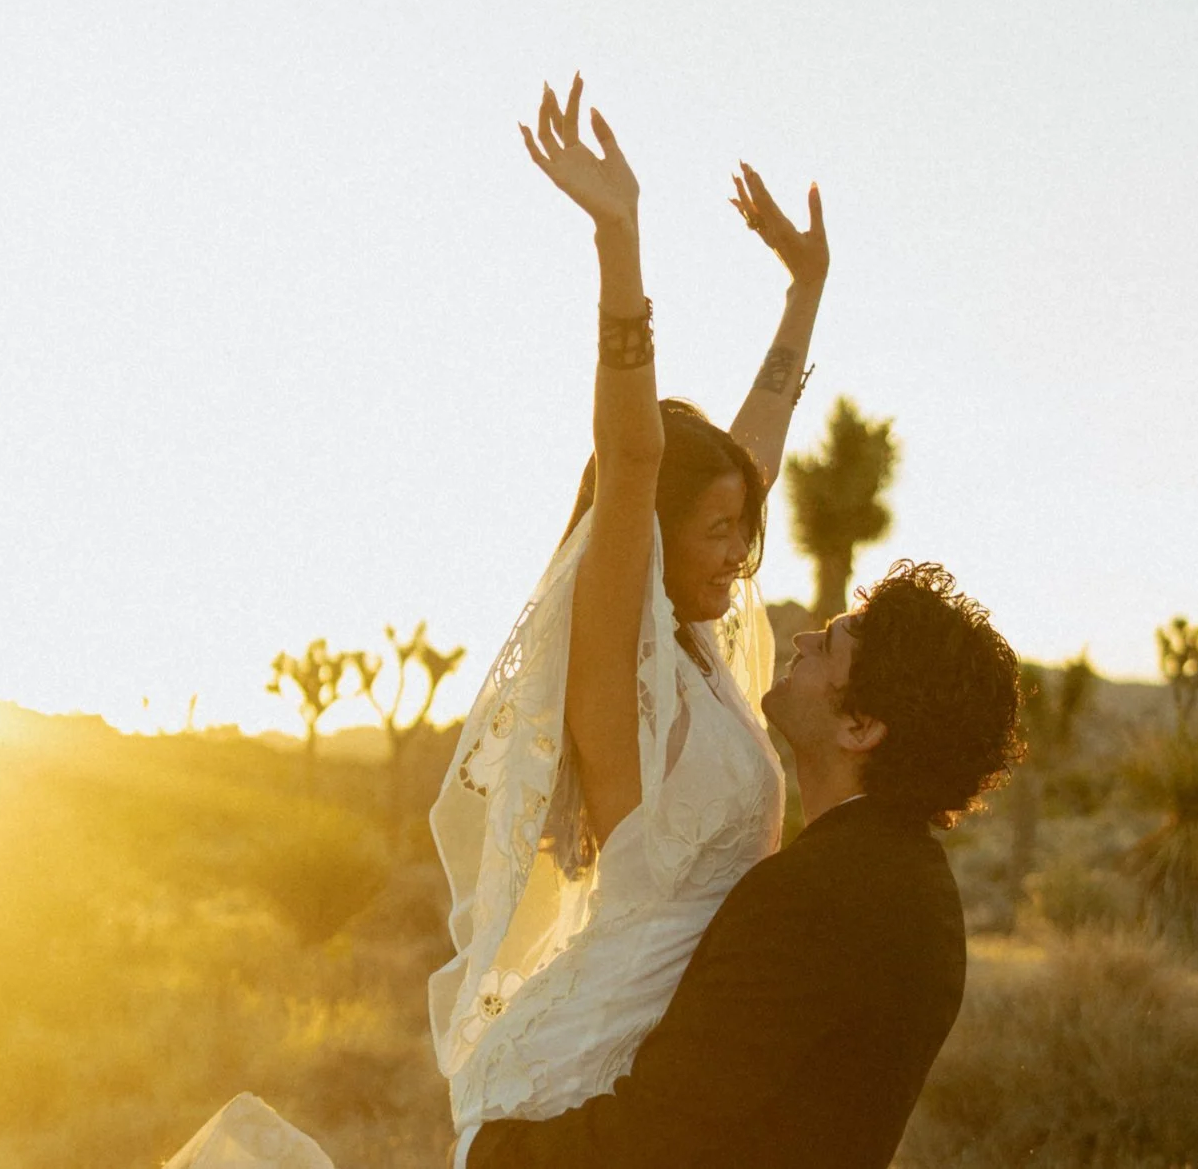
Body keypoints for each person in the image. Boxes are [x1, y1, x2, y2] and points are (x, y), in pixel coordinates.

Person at [165, 75, 830, 1168]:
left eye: (742, 531)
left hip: (669, 1070)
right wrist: (620, 239)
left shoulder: (701, 662)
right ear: (653, 537)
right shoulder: (615, 675)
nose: (739, 553)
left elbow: (745, 452)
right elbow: (633, 457)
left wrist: (803, 290)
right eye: (715, 531)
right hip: (581, 1084)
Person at [461, 561, 1024, 1168]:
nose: (803, 639)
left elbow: (663, 1132)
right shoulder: (918, 884)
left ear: (860, 727)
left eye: (828, 645)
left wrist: (493, 1154)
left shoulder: (812, 898)